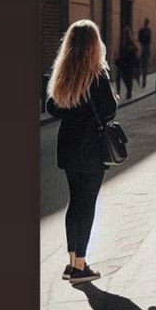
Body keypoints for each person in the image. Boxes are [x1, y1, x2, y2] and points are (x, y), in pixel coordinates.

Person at [46, 19, 118, 284]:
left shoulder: (63, 73)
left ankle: (70, 262)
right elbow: (109, 109)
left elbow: (53, 108)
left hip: (68, 146)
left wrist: (74, 109)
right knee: (87, 204)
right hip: (91, 149)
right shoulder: (97, 74)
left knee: (74, 202)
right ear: (93, 45)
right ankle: (80, 267)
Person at [116, 27, 138, 101]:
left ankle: (128, 93)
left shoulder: (129, 44)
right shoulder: (124, 43)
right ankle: (121, 94)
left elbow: (133, 53)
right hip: (124, 64)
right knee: (120, 78)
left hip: (127, 65)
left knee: (127, 80)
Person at [137, 18, 152, 89]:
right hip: (143, 48)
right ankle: (142, 80)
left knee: (144, 66)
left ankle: (143, 80)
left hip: (144, 48)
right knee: (142, 66)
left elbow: (147, 40)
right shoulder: (145, 31)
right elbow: (141, 39)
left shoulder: (147, 31)